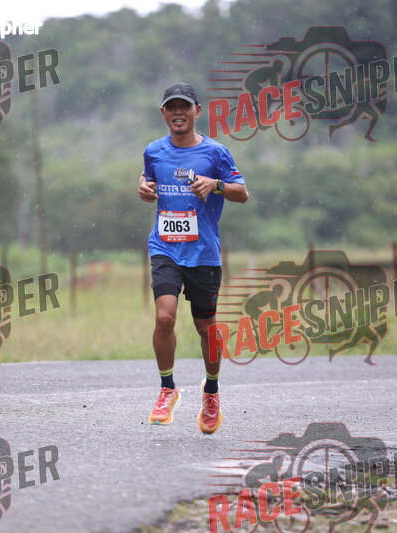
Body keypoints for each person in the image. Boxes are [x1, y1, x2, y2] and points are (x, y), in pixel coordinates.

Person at [138, 82, 249, 435]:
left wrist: (215, 184)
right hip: (165, 247)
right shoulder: (153, 151)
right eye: (171, 107)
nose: (178, 113)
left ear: (197, 111)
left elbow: (242, 193)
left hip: (203, 252)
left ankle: (211, 392)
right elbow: (148, 181)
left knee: (206, 328)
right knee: (164, 317)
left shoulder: (215, 153)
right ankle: (167, 389)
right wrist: (143, 188)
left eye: (184, 106)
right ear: (163, 113)